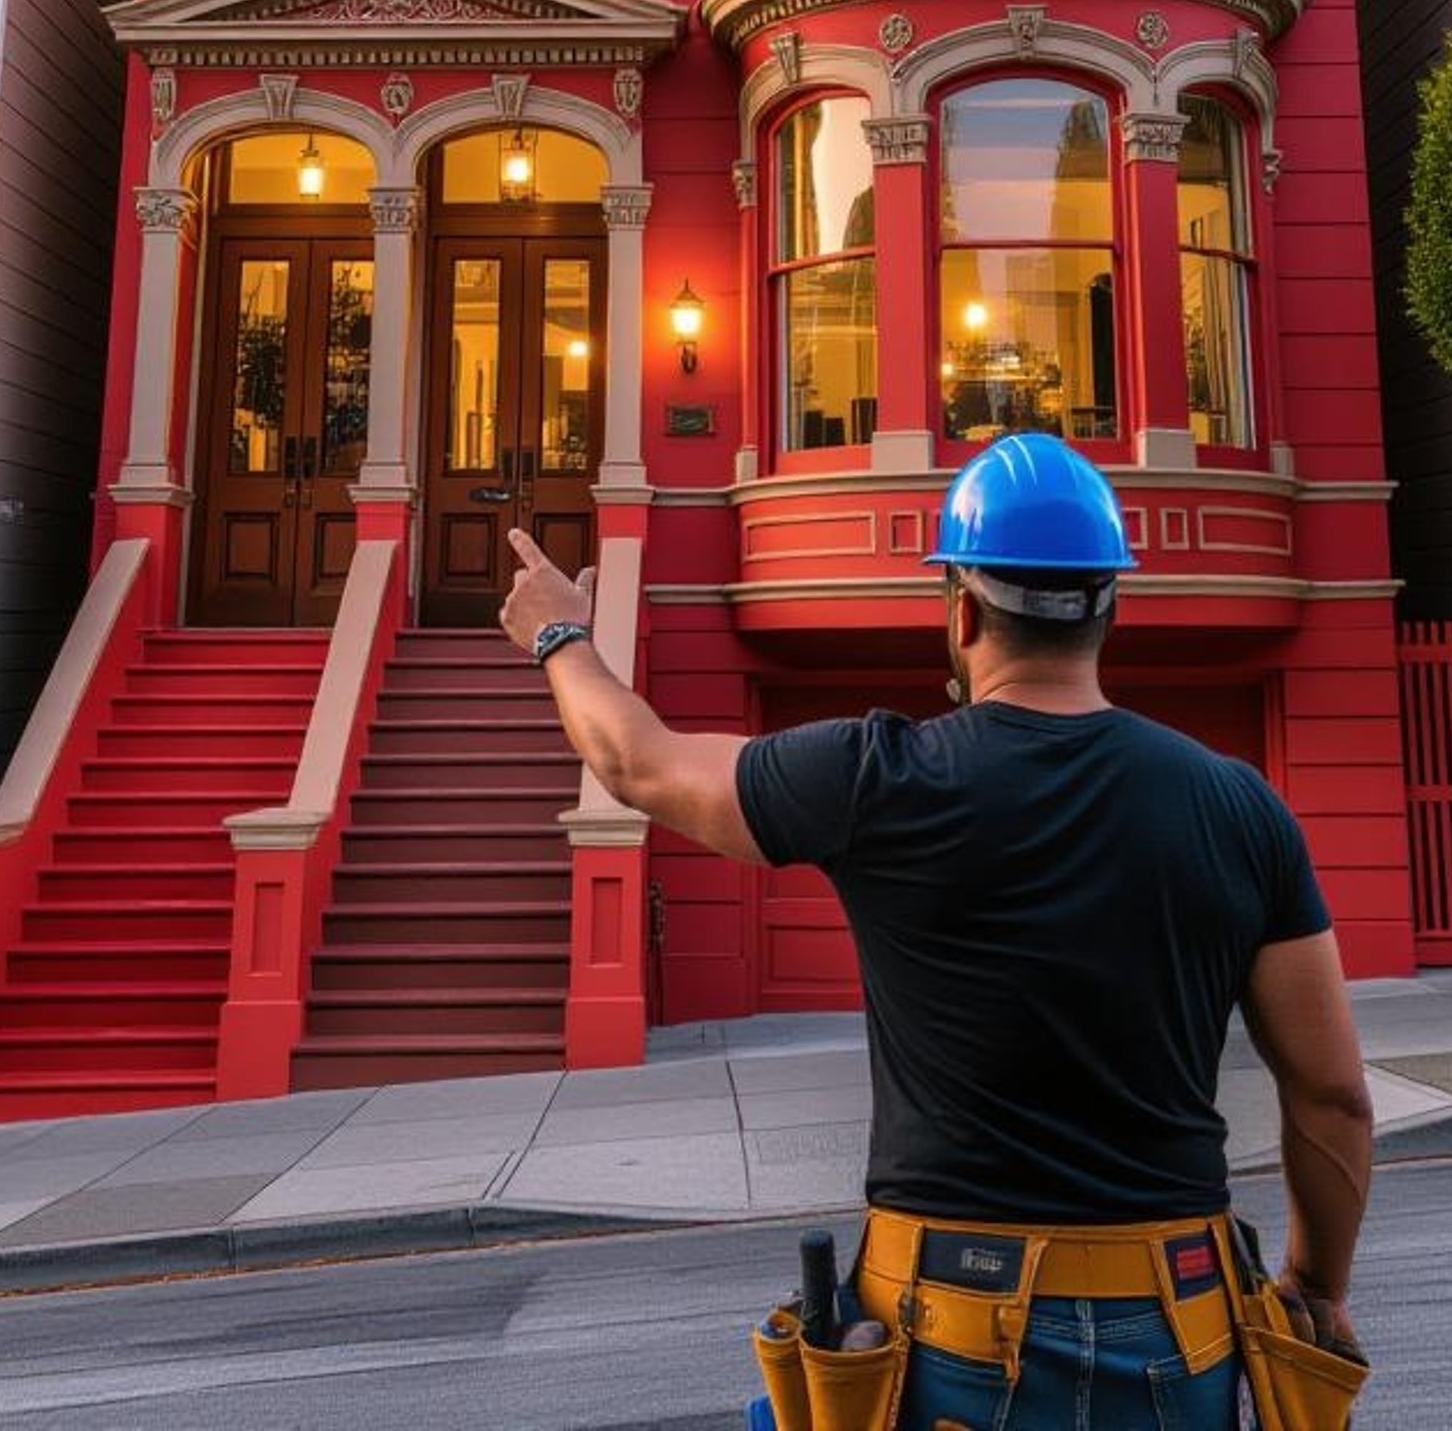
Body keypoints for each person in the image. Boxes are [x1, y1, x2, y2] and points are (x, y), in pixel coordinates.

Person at [499, 433, 1373, 1430]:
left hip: (953, 1324)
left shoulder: (878, 782)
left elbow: (635, 761)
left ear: (961, 610)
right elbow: (1333, 1096)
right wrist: (1315, 1285)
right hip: (1181, 1320)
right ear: (1111, 609)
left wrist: (560, 635)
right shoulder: (1240, 807)